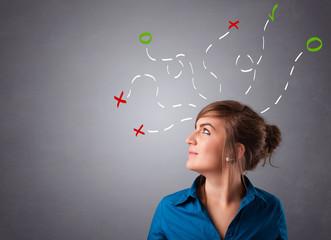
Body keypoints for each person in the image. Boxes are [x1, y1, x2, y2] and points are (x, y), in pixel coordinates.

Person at [147, 100, 288, 240]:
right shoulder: (169, 209)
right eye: (196, 129)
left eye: (205, 131)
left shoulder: (271, 209)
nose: (189, 139)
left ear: (235, 151)